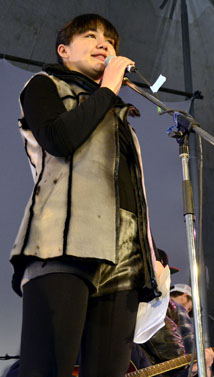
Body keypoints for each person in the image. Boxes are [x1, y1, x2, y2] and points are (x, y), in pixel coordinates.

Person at [10, 14, 160, 377]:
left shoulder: (118, 116)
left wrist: (148, 256)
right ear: (63, 50)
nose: (104, 43)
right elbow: (59, 140)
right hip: (62, 244)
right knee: (49, 367)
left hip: (123, 256)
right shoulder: (43, 85)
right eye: (91, 36)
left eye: (110, 40)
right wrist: (108, 88)